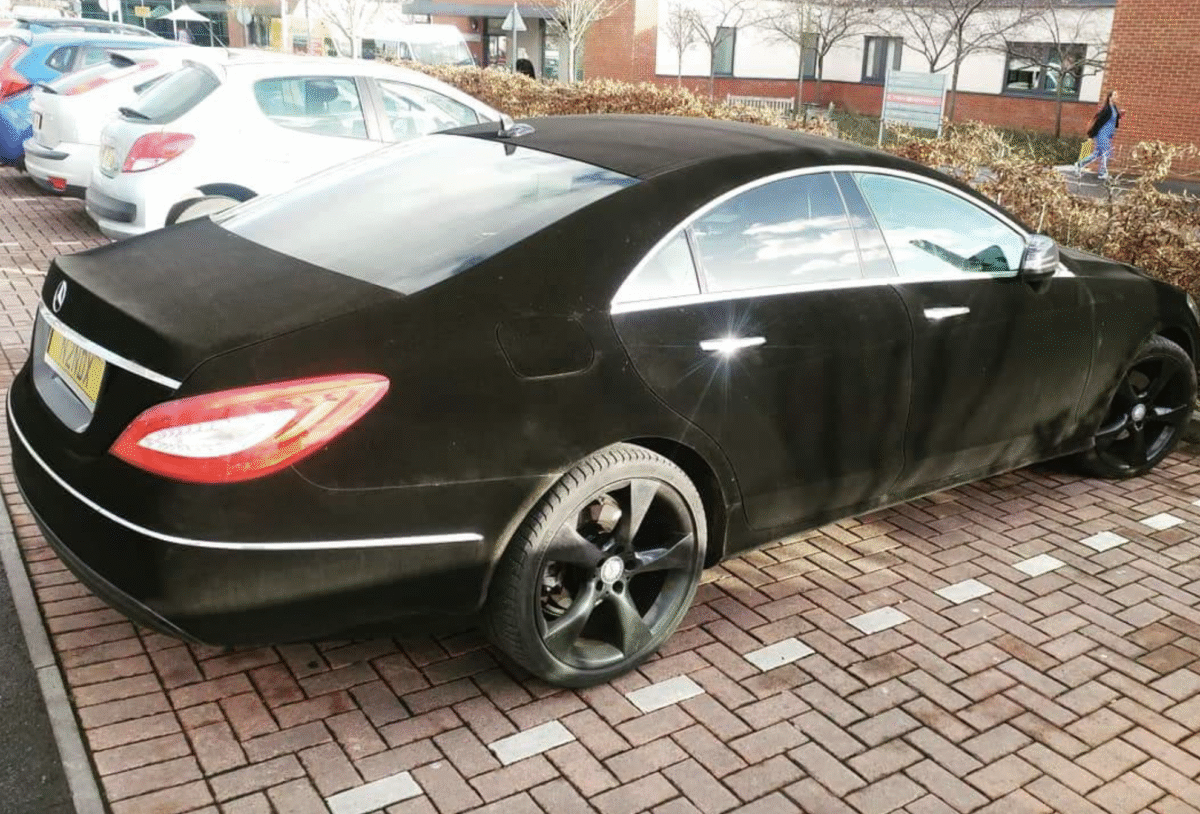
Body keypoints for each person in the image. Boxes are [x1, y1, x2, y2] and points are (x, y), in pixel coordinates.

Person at [1075, 89, 1122, 181]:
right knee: (1106, 153)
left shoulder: (1114, 108)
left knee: (1097, 153)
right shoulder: (1106, 109)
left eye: (1117, 95)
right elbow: (1099, 122)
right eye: (1115, 95)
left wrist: (1120, 116)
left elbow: (1114, 121)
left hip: (1108, 134)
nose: (1117, 97)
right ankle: (1102, 173)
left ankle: (1079, 164)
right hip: (1102, 134)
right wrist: (1092, 133)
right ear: (1110, 97)